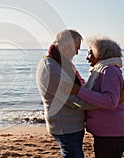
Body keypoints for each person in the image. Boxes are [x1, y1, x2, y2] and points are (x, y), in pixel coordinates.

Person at [36, 29, 97, 158]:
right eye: (77, 49)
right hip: (66, 127)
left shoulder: (60, 63)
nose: (76, 53)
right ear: (66, 47)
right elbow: (74, 101)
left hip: (70, 125)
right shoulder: (52, 69)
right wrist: (107, 101)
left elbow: (79, 87)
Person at [69, 37, 124, 158]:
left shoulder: (109, 70)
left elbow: (110, 102)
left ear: (101, 54)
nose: (87, 58)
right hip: (109, 133)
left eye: (90, 53)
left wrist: (79, 91)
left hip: (112, 134)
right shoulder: (103, 69)